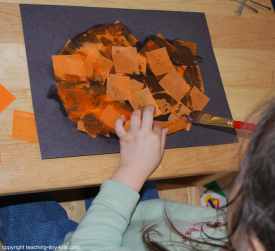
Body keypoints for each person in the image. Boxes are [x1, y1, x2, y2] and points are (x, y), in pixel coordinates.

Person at [59, 100, 275, 251]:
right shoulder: (258, 224)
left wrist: (131, 171)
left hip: (80, 243)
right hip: (148, 223)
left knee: (30, 212)